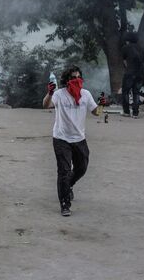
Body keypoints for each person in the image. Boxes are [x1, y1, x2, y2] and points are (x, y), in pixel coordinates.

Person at [43, 66, 103, 216]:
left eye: (78, 77)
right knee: (64, 171)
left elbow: (96, 112)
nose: (76, 81)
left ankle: (68, 185)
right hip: (61, 138)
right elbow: (46, 105)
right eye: (73, 78)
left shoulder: (86, 94)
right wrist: (49, 93)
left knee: (82, 168)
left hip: (79, 138)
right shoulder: (59, 94)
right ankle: (65, 204)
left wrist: (102, 104)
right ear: (66, 81)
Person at [121, 32, 144, 118]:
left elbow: (124, 61)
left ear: (128, 40)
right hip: (140, 74)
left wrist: (128, 68)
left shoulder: (125, 48)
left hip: (129, 73)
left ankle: (126, 112)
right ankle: (135, 113)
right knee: (136, 93)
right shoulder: (141, 49)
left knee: (126, 92)